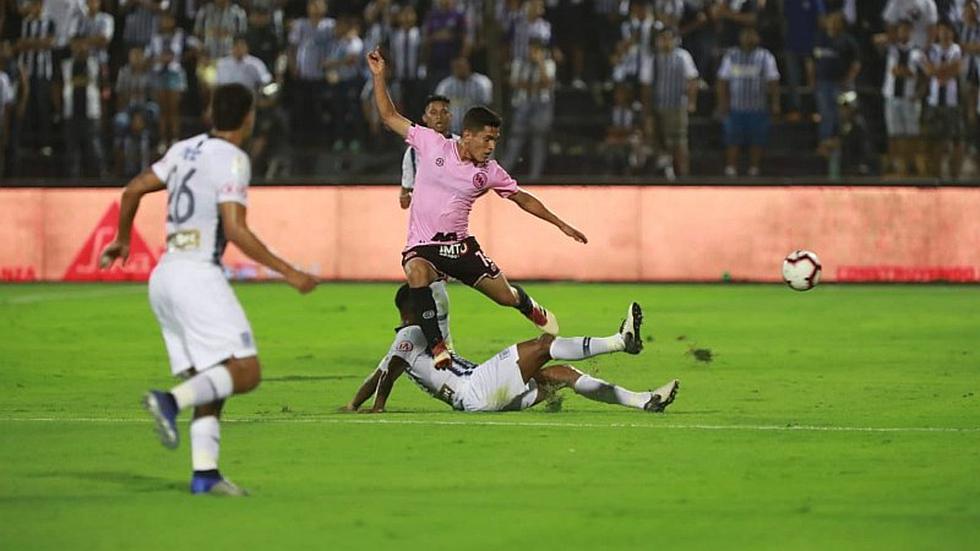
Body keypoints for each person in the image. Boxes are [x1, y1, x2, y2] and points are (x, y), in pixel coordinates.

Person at [98, 83, 318, 496]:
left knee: (214, 378)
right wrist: (290, 272)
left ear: (211, 114)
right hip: (197, 273)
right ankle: (169, 401)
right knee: (246, 372)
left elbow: (132, 189)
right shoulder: (232, 158)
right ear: (249, 118)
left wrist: (123, 238)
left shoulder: (183, 149)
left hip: (165, 274)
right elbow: (234, 228)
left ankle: (205, 474)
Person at [367, 46, 588, 369]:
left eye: (495, 140)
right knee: (416, 271)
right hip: (423, 245)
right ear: (467, 136)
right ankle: (438, 346)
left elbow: (522, 197)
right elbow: (389, 116)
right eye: (487, 139)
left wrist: (560, 224)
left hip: (460, 247)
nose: (491, 146)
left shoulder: (490, 172)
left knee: (505, 297)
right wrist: (379, 76)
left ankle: (527, 305)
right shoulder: (431, 143)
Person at [343, 288, 679, 414]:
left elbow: (377, 375)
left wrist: (353, 404)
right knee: (544, 345)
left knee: (563, 375)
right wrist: (379, 406)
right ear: (410, 310)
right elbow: (388, 372)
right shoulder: (411, 333)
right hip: (476, 388)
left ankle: (643, 400)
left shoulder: (412, 340)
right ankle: (620, 342)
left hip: (481, 395)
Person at [716, 26, 780, 177]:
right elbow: (722, 81)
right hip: (735, 107)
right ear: (740, 37)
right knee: (732, 139)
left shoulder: (766, 57)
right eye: (746, 35)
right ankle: (731, 168)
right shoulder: (731, 56)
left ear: (758, 38)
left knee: (757, 140)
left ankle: (754, 168)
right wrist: (722, 103)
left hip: (758, 107)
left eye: (752, 35)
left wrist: (775, 104)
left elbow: (773, 82)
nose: (749, 38)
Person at [641, 27, 699, 178]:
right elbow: (646, 86)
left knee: (679, 141)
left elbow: (692, 80)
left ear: (675, 40)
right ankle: (662, 175)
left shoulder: (683, 57)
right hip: (657, 106)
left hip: (677, 106)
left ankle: (683, 175)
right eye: (662, 39)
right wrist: (647, 111)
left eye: (668, 38)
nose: (665, 42)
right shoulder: (651, 59)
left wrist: (691, 101)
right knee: (657, 141)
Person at [500, 38, 556, 179]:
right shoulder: (519, 63)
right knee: (516, 139)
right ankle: (502, 174)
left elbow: (547, 82)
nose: (532, 53)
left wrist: (540, 63)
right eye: (531, 49)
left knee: (538, 140)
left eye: (536, 50)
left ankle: (535, 177)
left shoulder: (548, 64)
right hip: (522, 104)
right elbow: (515, 83)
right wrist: (535, 86)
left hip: (541, 105)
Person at [809, 11, 861, 156]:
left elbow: (856, 63)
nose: (832, 24)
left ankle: (840, 146)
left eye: (835, 21)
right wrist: (812, 80)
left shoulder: (848, 41)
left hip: (841, 84)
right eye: (830, 21)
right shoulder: (820, 39)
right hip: (823, 83)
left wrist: (848, 79)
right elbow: (812, 61)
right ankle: (824, 143)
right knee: (825, 114)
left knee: (843, 116)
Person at [880, 19, 925, 175]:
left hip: (909, 98)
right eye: (901, 30)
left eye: (907, 30)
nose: (903, 33)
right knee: (893, 132)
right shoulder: (891, 49)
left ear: (912, 32)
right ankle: (893, 163)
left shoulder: (917, 52)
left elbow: (924, 75)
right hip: (891, 96)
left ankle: (911, 162)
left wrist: (919, 93)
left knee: (912, 133)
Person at [922, 20, 964, 177]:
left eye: (948, 30)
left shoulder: (956, 49)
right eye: (942, 30)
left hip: (952, 103)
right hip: (934, 102)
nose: (945, 34)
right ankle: (935, 174)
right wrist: (943, 70)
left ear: (952, 33)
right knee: (935, 140)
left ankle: (954, 176)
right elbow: (928, 71)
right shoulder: (932, 50)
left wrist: (937, 70)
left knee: (955, 140)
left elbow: (956, 68)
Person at [399, 94, 454, 209]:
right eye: (433, 113)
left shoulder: (461, 146)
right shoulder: (413, 151)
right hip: (425, 215)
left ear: (450, 116)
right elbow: (404, 199)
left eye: (444, 112)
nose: (439, 117)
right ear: (424, 118)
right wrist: (406, 197)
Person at [434, 55, 491, 135]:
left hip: (476, 131)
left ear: (468, 65)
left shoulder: (482, 83)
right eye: (457, 66)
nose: (459, 69)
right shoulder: (445, 86)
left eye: (461, 65)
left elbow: (488, 106)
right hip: (453, 131)